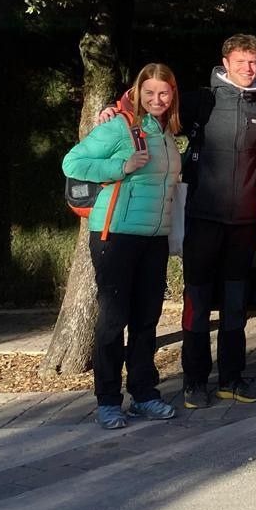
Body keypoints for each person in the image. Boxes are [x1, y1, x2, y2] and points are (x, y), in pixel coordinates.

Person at [63, 64, 183, 430]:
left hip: (154, 237)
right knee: (114, 320)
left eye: (163, 93)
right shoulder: (119, 127)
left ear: (173, 95)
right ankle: (108, 401)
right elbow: (73, 162)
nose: (157, 100)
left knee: (146, 319)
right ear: (137, 93)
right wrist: (121, 164)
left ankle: (145, 394)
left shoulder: (167, 134)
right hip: (115, 236)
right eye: (149, 93)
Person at [177, 34, 256, 409]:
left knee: (235, 306)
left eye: (253, 62)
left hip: (244, 223)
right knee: (198, 304)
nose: (248, 69)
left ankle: (232, 379)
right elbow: (149, 111)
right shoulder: (201, 100)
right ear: (225, 61)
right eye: (241, 61)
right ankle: (194, 382)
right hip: (202, 219)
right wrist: (113, 108)